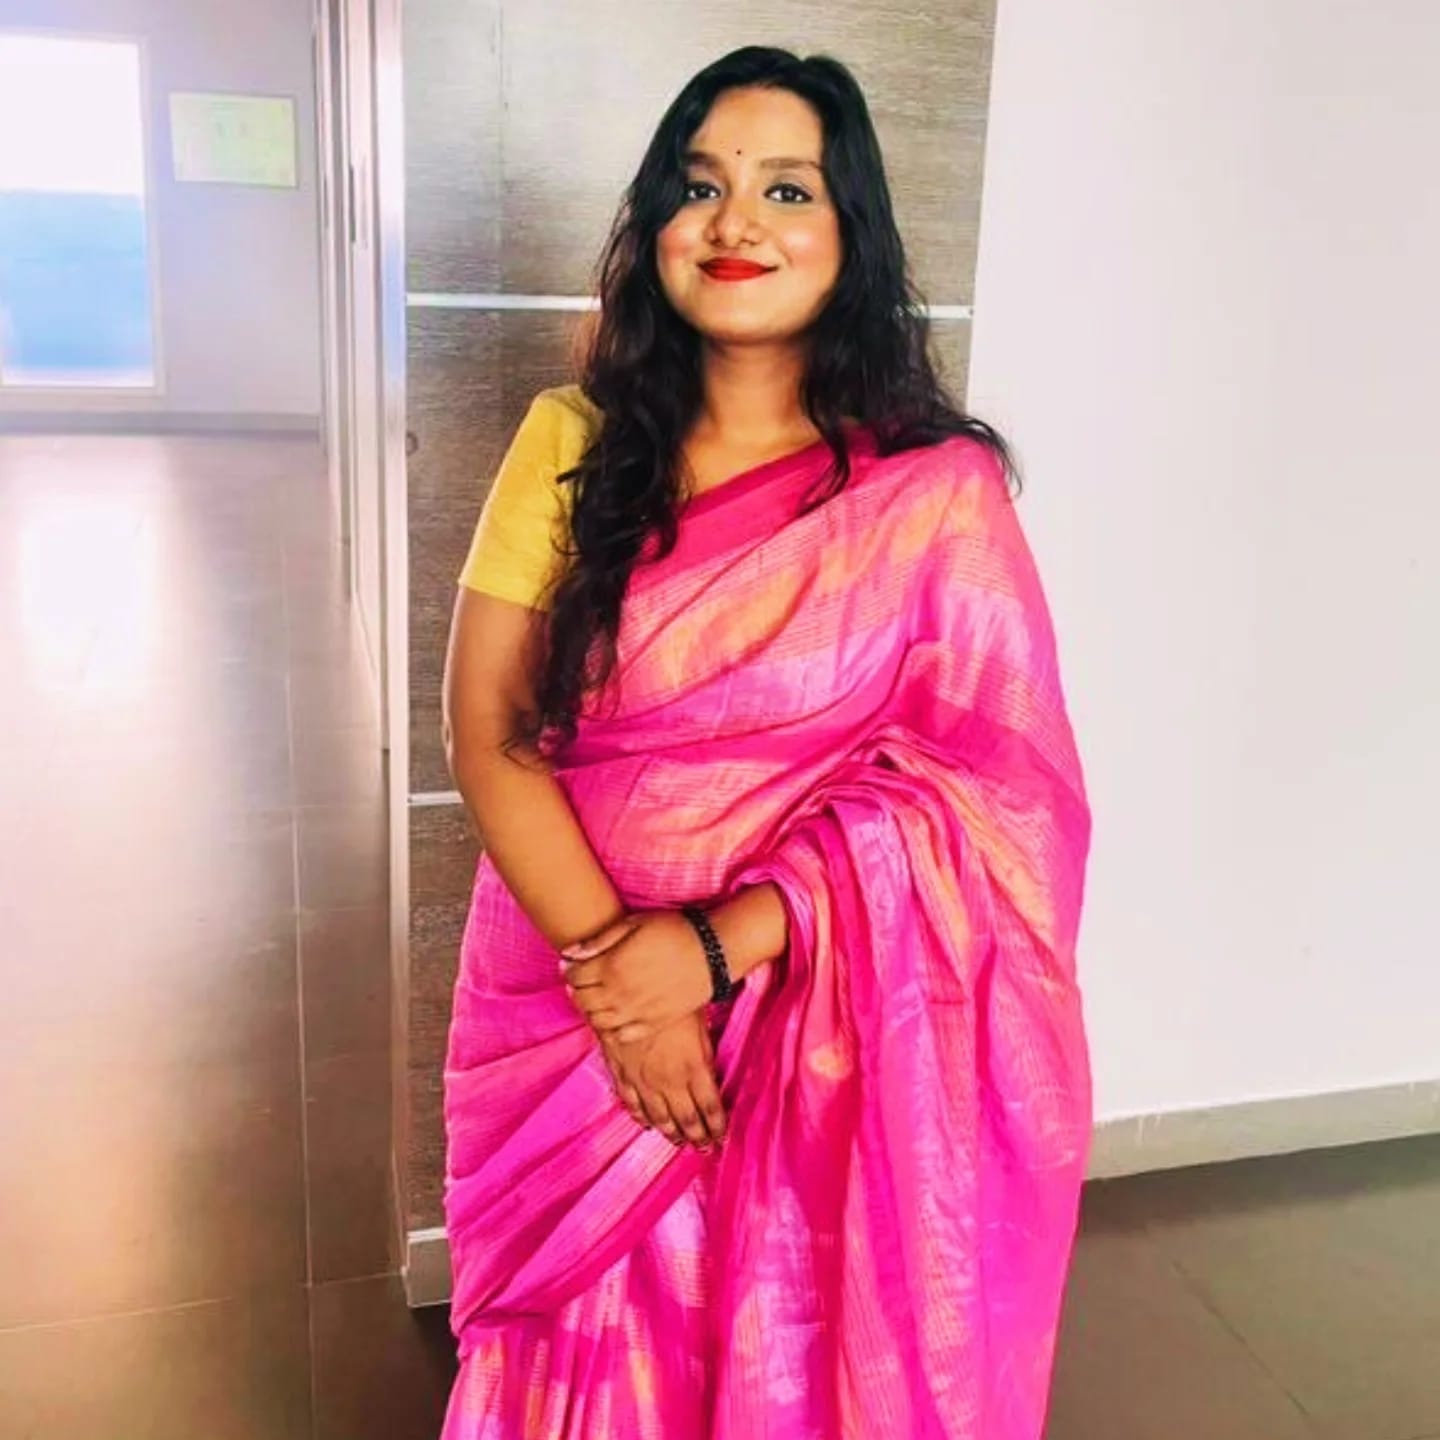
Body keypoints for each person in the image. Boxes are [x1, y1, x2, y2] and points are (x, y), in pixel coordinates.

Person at [438, 44, 1091, 1440]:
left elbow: (988, 801)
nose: (735, 221)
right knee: (587, 1348)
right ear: (656, 223)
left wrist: (715, 951)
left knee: (775, 1328)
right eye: (699, 186)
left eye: (787, 188)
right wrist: (627, 989)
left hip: (813, 1020)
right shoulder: (570, 438)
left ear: (851, 234)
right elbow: (488, 731)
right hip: (569, 996)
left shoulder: (933, 496)